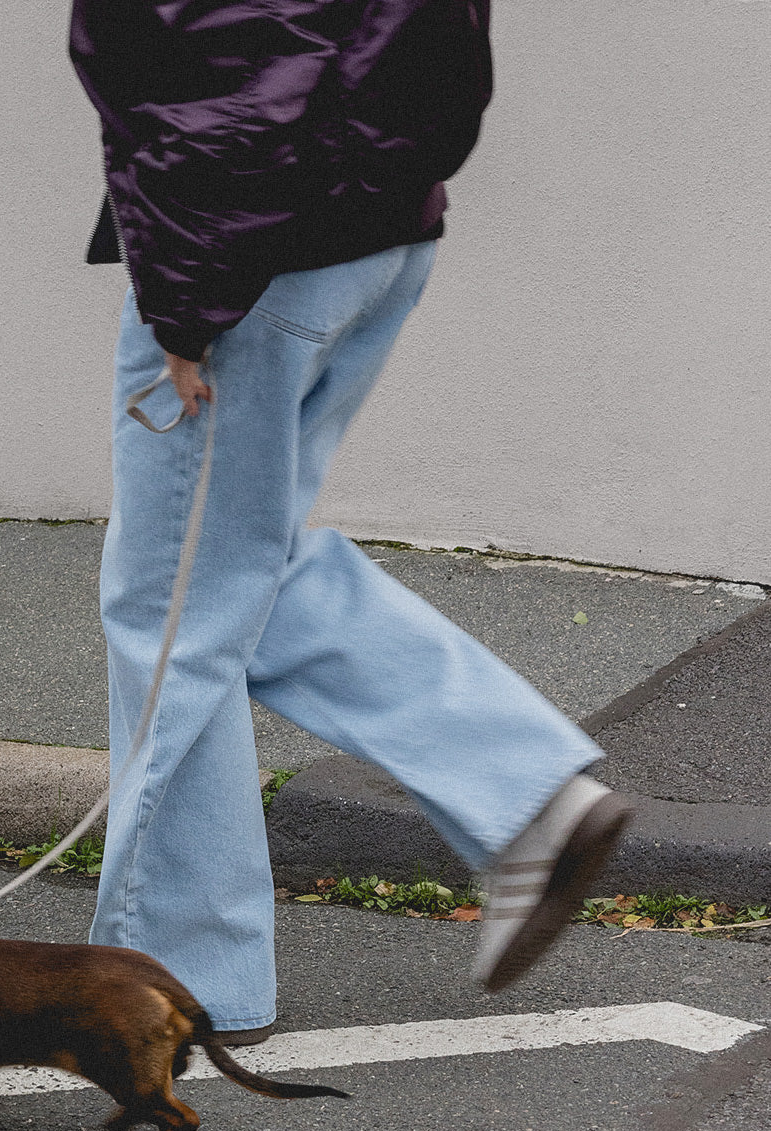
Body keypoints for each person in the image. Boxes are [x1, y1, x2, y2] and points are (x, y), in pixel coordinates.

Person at [69, 1, 633, 1043]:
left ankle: (178, 976)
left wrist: (184, 302)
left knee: (171, 613)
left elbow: (183, 64)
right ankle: (519, 791)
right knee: (240, 570)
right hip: (374, 230)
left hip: (244, 255)